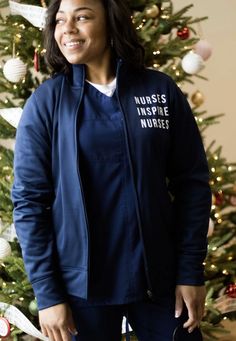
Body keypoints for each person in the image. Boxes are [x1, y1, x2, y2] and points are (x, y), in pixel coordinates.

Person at [11, 0, 212, 340]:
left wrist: (190, 271)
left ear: (110, 22)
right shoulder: (46, 104)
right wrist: (48, 294)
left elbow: (192, 184)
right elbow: (29, 204)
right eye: (60, 20)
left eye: (83, 17)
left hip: (161, 282)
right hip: (80, 292)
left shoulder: (160, 91)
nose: (68, 28)